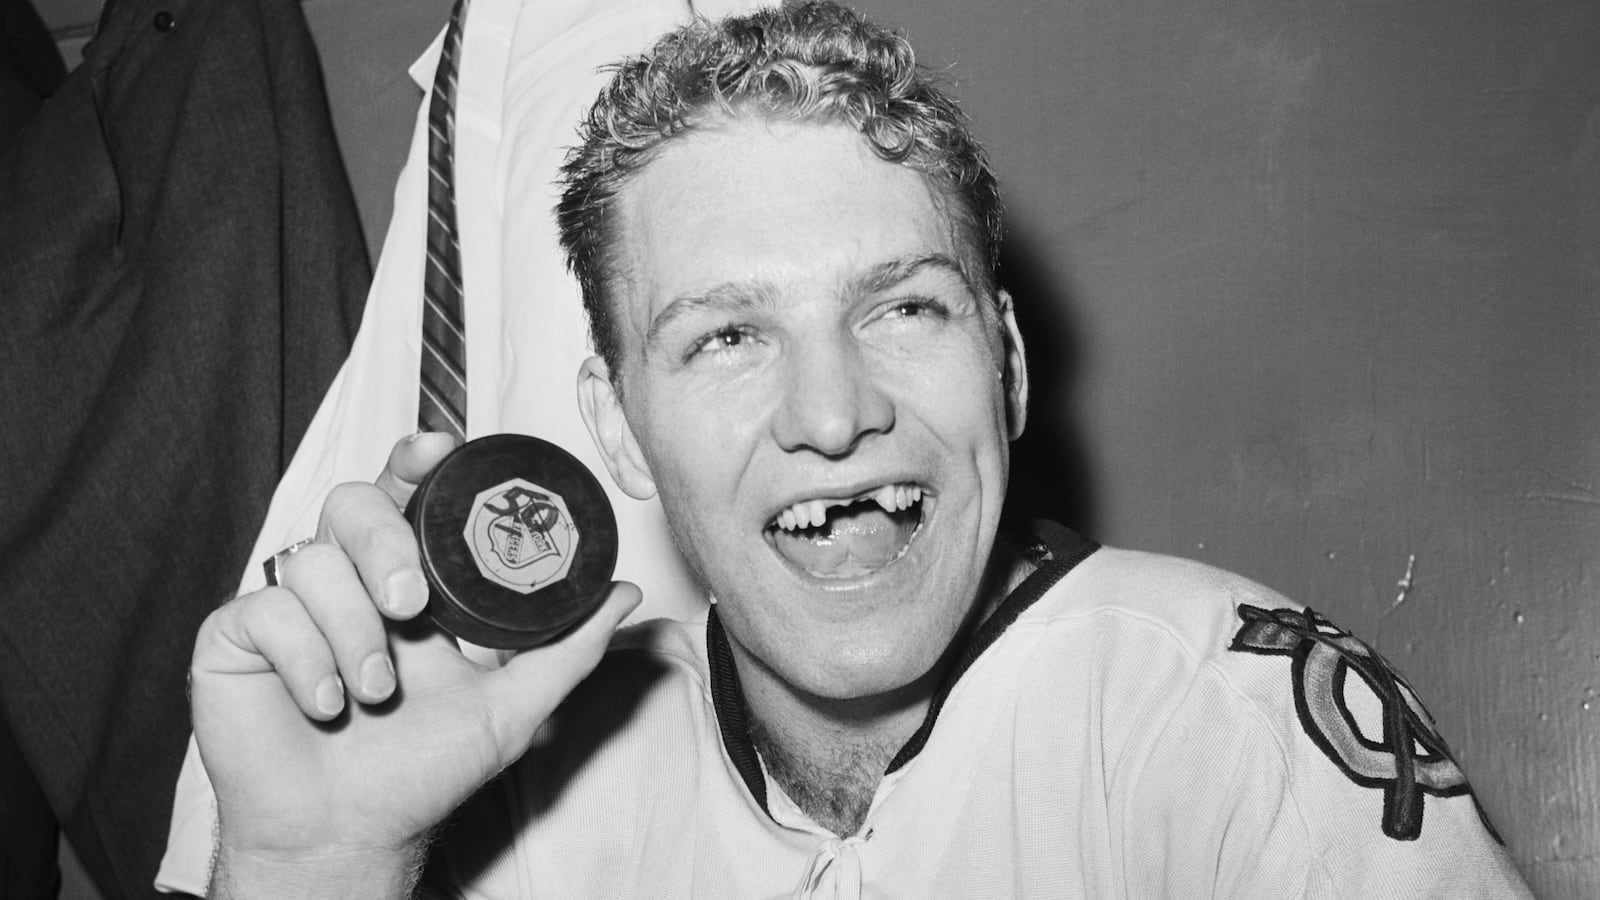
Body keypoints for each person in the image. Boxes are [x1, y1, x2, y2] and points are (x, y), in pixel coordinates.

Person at [185, 2, 1533, 897]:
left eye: (900, 307)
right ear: (618, 428)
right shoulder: (533, 797)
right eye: (726, 338)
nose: (831, 415)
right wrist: (318, 865)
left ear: (1003, 363)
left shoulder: (1225, 734)